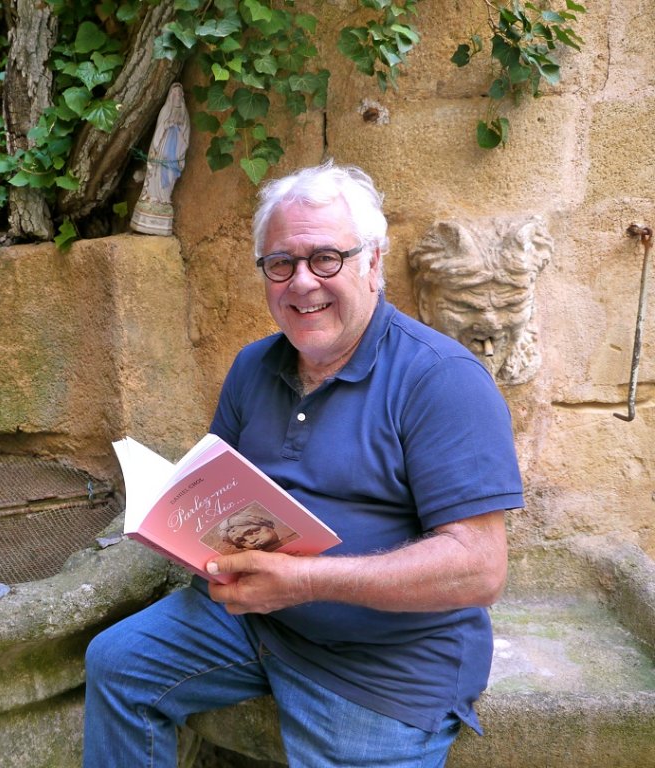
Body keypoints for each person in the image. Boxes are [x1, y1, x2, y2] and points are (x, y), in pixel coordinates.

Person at [83, 160, 523, 767]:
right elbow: (212, 492)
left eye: (326, 259)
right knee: (117, 662)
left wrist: (307, 582)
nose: (301, 283)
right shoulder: (254, 366)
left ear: (373, 262)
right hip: (253, 622)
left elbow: (479, 569)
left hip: (381, 666)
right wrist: (176, 528)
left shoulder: (442, 381)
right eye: (281, 264)